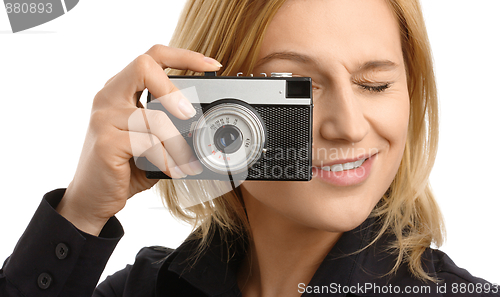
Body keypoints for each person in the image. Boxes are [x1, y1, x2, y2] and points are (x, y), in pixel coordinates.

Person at [1, 0, 498, 296]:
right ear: (198, 98)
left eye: (374, 84)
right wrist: (81, 214)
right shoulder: (145, 290)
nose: (348, 126)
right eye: (293, 85)